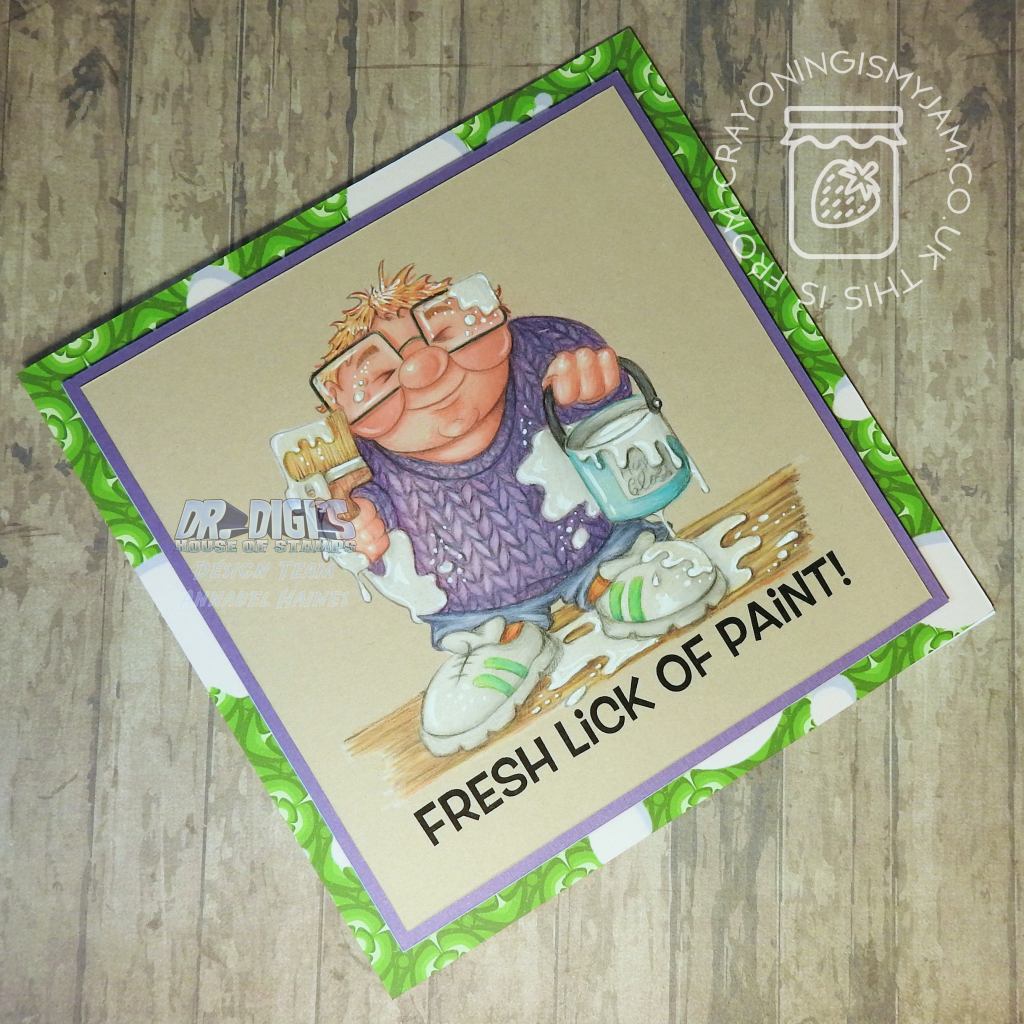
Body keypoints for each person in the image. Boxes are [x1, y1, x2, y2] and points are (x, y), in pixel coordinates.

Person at [315, 264, 665, 755]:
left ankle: (618, 575)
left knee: (623, 558)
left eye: (445, 335)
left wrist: (591, 395)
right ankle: (500, 642)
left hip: (598, 540)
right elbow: (343, 515)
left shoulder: (539, 356)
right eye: (384, 376)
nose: (425, 369)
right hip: (478, 601)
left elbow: (601, 410)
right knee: (485, 627)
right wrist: (355, 528)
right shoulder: (356, 459)